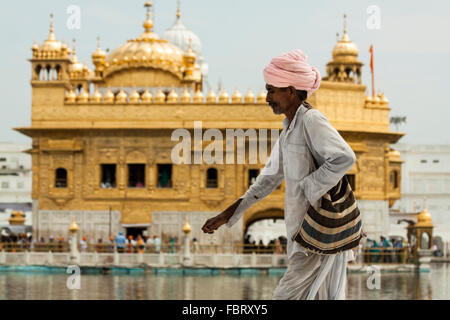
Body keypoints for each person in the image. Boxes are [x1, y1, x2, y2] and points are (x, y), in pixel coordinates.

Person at [202, 49, 357, 300]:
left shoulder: (311, 120)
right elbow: (268, 179)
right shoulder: (289, 130)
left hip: (316, 231)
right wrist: (227, 214)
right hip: (303, 232)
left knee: (284, 296)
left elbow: (344, 157)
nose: (267, 98)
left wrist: (309, 187)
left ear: (291, 91)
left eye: (272, 90)